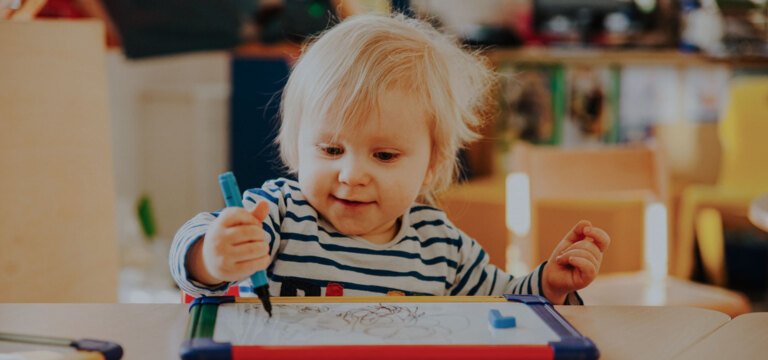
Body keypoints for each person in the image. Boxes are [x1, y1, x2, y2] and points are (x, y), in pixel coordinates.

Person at [169, 13, 610, 303]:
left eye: (383, 155)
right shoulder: (279, 214)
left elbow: (507, 302)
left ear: (433, 164)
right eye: (331, 149)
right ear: (297, 144)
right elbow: (193, 259)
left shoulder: (441, 246)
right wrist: (212, 255)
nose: (352, 174)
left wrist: (551, 284)